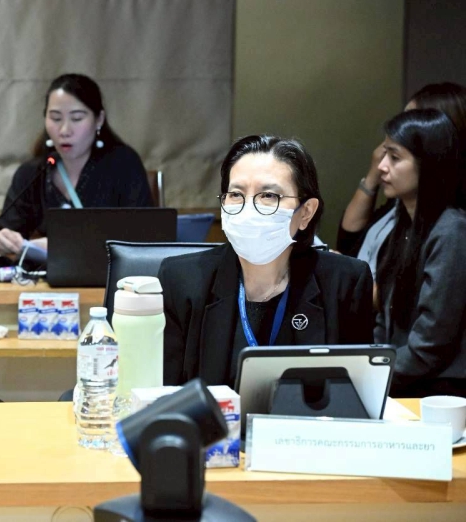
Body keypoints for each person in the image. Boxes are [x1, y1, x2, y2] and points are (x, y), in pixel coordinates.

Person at [158, 135, 373, 387]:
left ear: (306, 212)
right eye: (236, 194)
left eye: (268, 195)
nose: (249, 209)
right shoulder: (180, 280)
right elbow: (160, 393)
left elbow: (356, 392)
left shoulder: (345, 283)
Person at [0, 74, 153, 259]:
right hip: (47, 276)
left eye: (76, 118)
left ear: (99, 119)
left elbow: (144, 238)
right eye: (55, 118)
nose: (65, 130)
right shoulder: (33, 173)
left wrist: (60, 245)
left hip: (110, 274)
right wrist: (1, 240)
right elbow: (8, 232)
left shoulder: (123, 164)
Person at [373, 109, 466, 397]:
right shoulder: (403, 226)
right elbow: (385, 319)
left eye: (395, 157)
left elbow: (432, 340)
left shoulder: (452, 231)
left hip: (441, 391)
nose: (382, 166)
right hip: (405, 381)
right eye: (384, 154)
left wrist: (373, 375)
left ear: (428, 164)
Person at [337, 83, 466, 278]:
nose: (401, 127)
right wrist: (373, 176)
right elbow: (348, 241)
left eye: (395, 156)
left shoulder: (450, 227)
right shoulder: (403, 205)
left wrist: (352, 280)